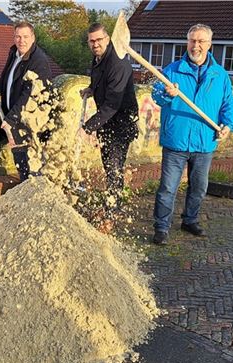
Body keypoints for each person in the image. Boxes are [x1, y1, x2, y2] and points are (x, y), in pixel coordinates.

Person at [151, 24, 233, 245]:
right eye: (192, 41)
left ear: (209, 44)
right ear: (187, 42)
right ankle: (161, 227)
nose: (195, 46)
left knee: (199, 187)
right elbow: (157, 95)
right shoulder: (172, 71)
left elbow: (228, 105)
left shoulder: (220, 76)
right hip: (176, 141)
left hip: (204, 141)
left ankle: (190, 220)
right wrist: (167, 94)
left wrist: (228, 125)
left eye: (200, 41)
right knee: (168, 187)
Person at [77, 22, 139, 233]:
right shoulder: (98, 60)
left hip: (121, 123)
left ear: (108, 39)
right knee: (109, 168)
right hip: (107, 123)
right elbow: (101, 82)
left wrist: (87, 127)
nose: (95, 44)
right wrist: (90, 89)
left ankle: (111, 216)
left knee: (114, 171)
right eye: (92, 41)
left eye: (99, 40)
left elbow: (113, 103)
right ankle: (108, 208)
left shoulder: (119, 64)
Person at [0, 21, 52, 181]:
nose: (21, 40)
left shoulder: (38, 61)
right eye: (18, 36)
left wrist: (11, 119)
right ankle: (26, 191)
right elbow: (9, 76)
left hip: (29, 123)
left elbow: (29, 95)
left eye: (25, 36)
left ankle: (35, 196)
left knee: (30, 163)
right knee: (20, 162)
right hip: (15, 120)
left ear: (33, 38)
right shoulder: (14, 54)